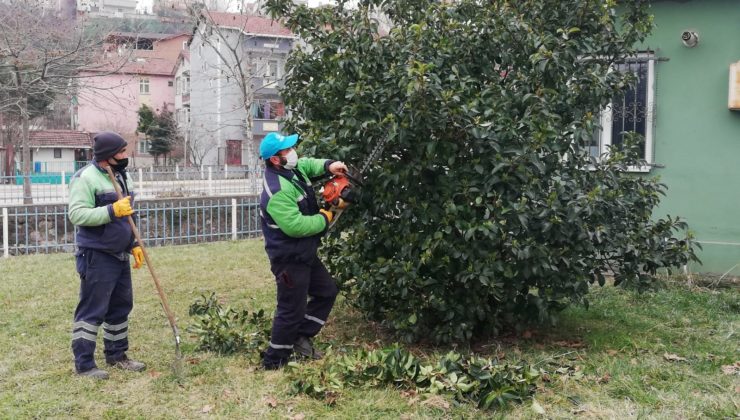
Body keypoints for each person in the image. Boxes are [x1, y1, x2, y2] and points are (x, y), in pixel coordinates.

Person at [259, 131, 347, 370]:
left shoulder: (291, 171)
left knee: (326, 291)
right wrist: (326, 216)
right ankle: (273, 361)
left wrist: (330, 166)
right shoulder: (277, 190)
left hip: (304, 252)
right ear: (275, 159)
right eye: (287, 150)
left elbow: (308, 164)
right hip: (289, 257)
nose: (293, 152)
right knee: (290, 309)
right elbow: (296, 226)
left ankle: (300, 337)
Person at [67, 131, 146, 379]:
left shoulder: (122, 176)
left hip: (119, 252)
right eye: (121, 153)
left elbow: (130, 214)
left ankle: (117, 355)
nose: (125, 156)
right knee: (92, 310)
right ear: (107, 157)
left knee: (121, 306)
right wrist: (111, 210)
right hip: (96, 254)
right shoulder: (85, 178)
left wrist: (133, 243)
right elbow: (77, 215)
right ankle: (84, 364)